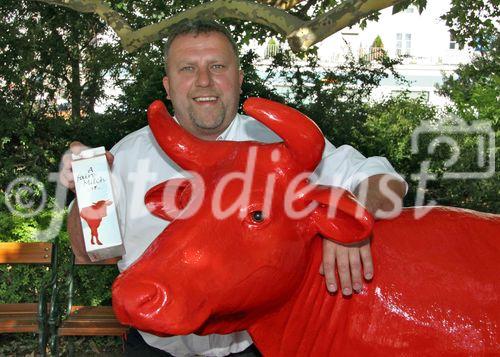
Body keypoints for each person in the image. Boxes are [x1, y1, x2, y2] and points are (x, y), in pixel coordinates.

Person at [60, 20, 406, 357]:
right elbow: (89, 253)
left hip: (254, 346)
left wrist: (346, 227)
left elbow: (383, 182)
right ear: (167, 85)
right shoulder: (128, 155)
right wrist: (88, 188)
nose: (204, 81)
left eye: (218, 66)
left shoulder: (278, 149)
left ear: (239, 79)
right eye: (187, 69)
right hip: (155, 348)